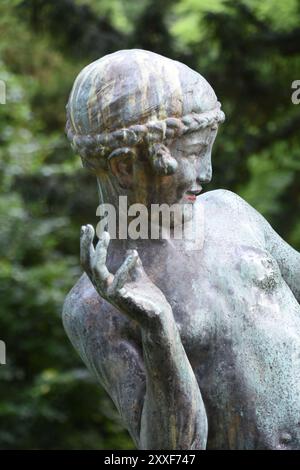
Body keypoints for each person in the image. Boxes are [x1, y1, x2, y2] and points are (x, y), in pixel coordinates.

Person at [63, 49, 300, 450]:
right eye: (191, 154)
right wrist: (159, 328)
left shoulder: (230, 212)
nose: (207, 173)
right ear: (124, 167)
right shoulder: (94, 308)